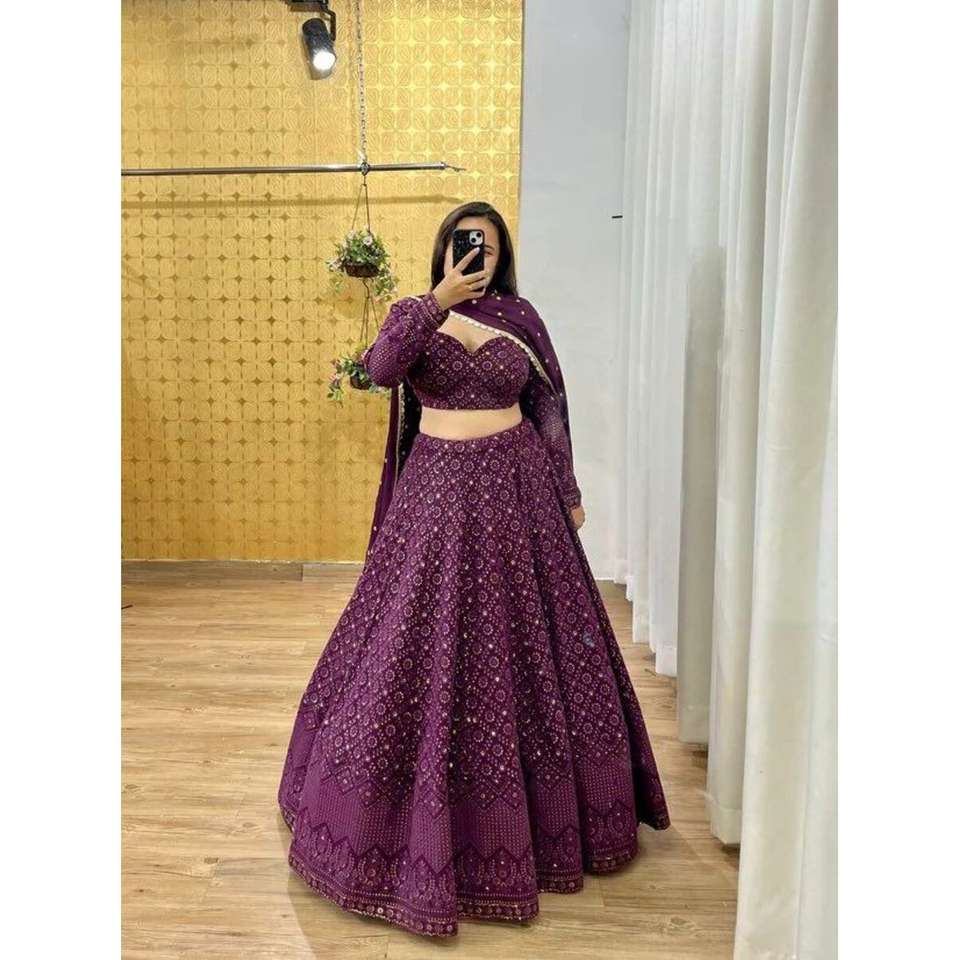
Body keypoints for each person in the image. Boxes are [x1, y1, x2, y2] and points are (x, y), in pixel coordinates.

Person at [277, 201, 671, 938]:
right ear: (443, 250)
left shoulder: (521, 320)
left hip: (519, 493)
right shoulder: (413, 315)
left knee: (530, 646)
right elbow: (379, 370)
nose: (475, 257)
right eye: (465, 245)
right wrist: (436, 302)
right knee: (408, 639)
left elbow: (549, 408)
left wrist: (568, 490)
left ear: (503, 256)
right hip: (435, 497)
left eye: (487, 247)